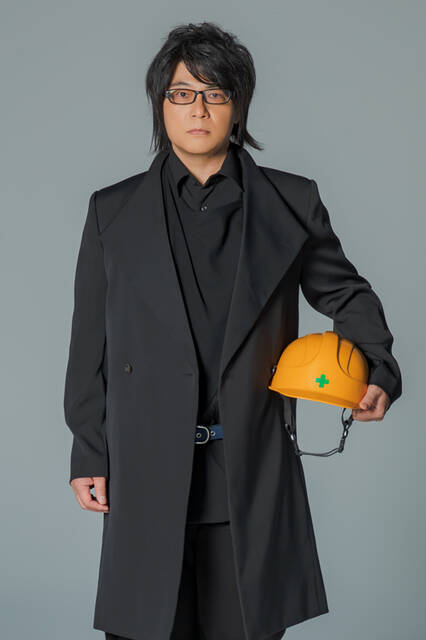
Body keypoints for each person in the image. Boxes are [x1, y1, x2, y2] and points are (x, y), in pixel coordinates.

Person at [64, 22, 402, 640]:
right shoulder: (112, 211)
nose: (198, 109)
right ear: (161, 104)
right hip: (145, 465)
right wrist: (89, 449)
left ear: (238, 106)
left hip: (250, 464)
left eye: (214, 93)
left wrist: (378, 366)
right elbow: (91, 343)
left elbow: (345, 293)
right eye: (181, 93)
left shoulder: (291, 201)